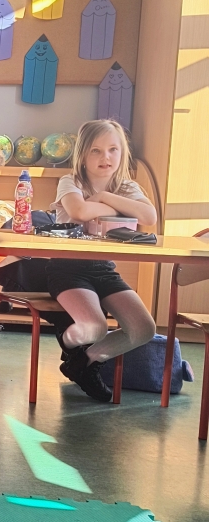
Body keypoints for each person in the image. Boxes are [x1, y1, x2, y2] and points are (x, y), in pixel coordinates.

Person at [48, 118, 157, 402]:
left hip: (104, 269)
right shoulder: (70, 181)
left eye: (112, 150)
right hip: (67, 268)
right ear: (83, 155)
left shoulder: (126, 187)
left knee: (144, 329)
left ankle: (83, 363)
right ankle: (69, 341)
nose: (105, 157)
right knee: (95, 328)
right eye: (95, 150)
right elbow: (79, 211)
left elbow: (149, 217)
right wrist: (121, 209)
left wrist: (105, 196)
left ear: (122, 153)